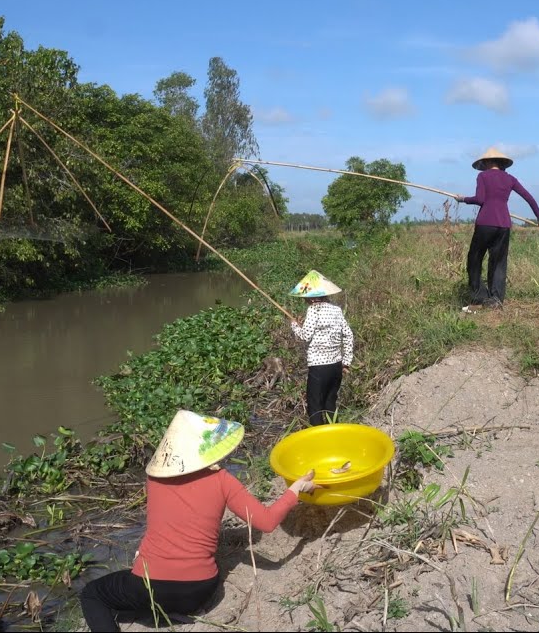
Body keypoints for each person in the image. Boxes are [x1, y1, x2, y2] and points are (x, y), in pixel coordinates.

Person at [78, 410, 318, 632]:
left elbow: (161, 524)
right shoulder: (223, 479)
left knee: (92, 594)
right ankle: (174, 612)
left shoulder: (153, 479)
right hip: (200, 591)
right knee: (159, 592)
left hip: (150, 589)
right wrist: (295, 489)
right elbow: (266, 522)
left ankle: (157, 612)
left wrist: (142, 554)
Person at [453, 147, 539, 310]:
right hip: (503, 224)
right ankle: (495, 299)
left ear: (487, 162)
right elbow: (528, 197)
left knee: (474, 259)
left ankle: (479, 297)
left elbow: (481, 199)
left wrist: (463, 199)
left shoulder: (482, 176)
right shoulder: (510, 179)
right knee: (498, 262)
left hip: (485, 223)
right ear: (501, 163)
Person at [288, 270, 354, 426]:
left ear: (310, 299)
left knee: (315, 405)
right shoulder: (336, 310)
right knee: (330, 403)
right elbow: (349, 335)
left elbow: (305, 336)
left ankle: (318, 438)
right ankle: (335, 433)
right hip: (336, 366)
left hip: (319, 367)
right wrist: (346, 361)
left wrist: (294, 326)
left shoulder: (313, 310)